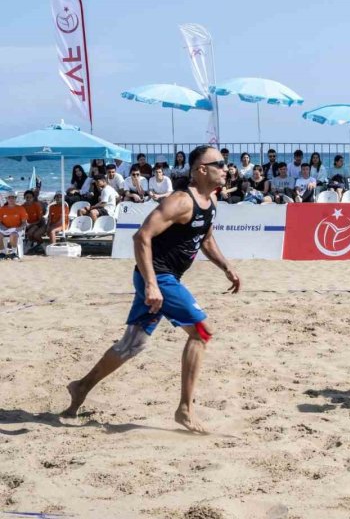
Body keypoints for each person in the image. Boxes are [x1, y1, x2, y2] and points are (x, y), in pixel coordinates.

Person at [62, 145, 240, 432]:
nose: (225, 167)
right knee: (202, 331)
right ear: (201, 170)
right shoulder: (181, 201)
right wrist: (151, 284)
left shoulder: (211, 201)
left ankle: (81, 388)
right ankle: (185, 409)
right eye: (219, 163)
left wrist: (226, 267)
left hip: (165, 279)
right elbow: (141, 236)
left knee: (133, 344)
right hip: (158, 276)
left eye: (225, 163)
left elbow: (205, 239)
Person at [0, 194, 28, 258]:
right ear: (7, 199)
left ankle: (14, 253)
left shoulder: (20, 208)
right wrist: (2, 227)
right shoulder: (2, 209)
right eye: (9, 198)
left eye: (13, 198)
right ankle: (2, 252)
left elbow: (24, 222)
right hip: (5, 229)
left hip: (17, 229)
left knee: (13, 235)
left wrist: (19, 228)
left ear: (15, 199)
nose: (11, 199)